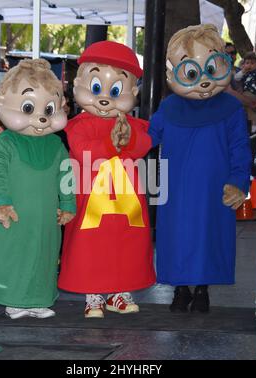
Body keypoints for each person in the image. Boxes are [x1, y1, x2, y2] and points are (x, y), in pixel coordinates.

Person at [149, 24, 251, 313]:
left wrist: (238, 182)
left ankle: (203, 289)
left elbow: (239, 148)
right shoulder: (168, 109)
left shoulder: (230, 108)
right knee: (177, 237)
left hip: (214, 187)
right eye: (193, 71)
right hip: (177, 188)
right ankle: (180, 289)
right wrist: (124, 136)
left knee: (209, 237)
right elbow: (148, 136)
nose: (204, 80)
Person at [58, 41, 156, 318]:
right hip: (90, 198)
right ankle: (93, 296)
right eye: (96, 88)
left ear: (132, 93)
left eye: (115, 91)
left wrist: (128, 139)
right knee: (90, 247)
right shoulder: (78, 125)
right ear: (79, 84)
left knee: (127, 246)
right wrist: (113, 145)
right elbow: (82, 150)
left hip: (126, 202)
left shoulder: (133, 125)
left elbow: (142, 145)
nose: (104, 99)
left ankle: (120, 293)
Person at [0, 59, 76, 319]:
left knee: (43, 254)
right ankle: (14, 298)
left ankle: (38, 298)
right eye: (29, 107)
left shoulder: (55, 145)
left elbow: (66, 176)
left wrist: (67, 204)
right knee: (15, 253)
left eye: (49, 108)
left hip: (44, 216)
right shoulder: (5, 142)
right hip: (14, 211)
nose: (41, 117)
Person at [234, 52, 256, 133]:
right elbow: (236, 78)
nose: (249, 65)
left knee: (246, 101)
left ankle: (254, 123)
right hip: (245, 93)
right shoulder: (244, 72)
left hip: (254, 93)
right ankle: (252, 123)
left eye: (252, 63)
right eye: (247, 63)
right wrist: (243, 70)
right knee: (248, 108)